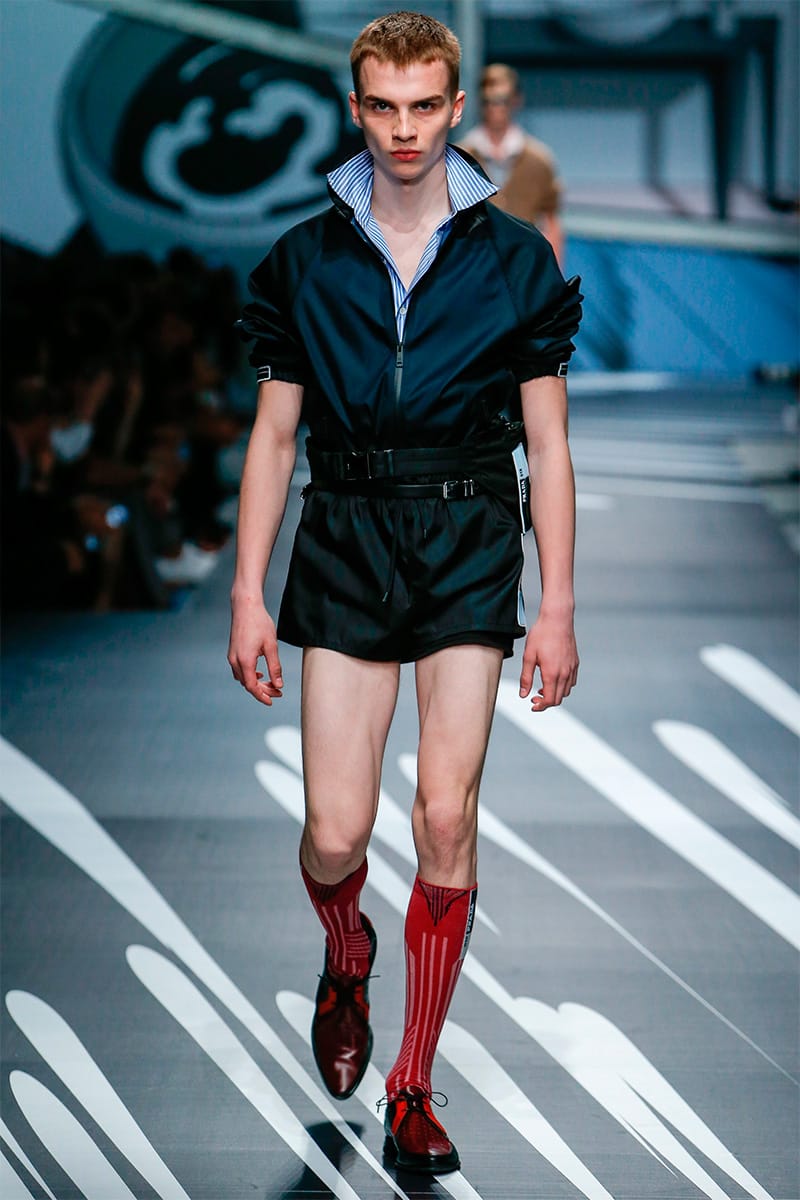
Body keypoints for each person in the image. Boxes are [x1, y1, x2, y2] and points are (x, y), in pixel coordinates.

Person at [229, 10, 582, 1176]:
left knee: (442, 815)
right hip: (344, 532)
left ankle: (413, 1085)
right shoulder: (305, 259)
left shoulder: (512, 259)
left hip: (468, 532)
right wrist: (246, 594)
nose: (404, 129)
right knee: (335, 832)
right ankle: (347, 952)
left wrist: (556, 606)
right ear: (356, 108)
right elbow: (273, 438)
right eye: (382, 107)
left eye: (424, 106)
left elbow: (548, 442)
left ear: (452, 106)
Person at [459, 62, 565, 265]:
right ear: (480, 102)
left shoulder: (539, 161)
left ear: (516, 100)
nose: (496, 108)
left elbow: (552, 222)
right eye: (489, 101)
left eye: (503, 101)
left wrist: (554, 277)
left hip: (525, 268)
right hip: (473, 268)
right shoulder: (459, 159)